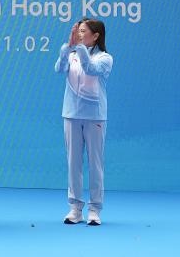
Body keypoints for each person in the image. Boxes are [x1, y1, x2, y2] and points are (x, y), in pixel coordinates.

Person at [54, 18, 113, 226]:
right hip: (71, 114)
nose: (79, 34)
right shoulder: (72, 54)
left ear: (95, 36)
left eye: (83, 31)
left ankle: (95, 209)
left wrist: (78, 48)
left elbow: (90, 69)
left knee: (95, 163)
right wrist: (67, 48)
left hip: (95, 116)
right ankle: (75, 208)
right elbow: (59, 68)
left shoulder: (105, 58)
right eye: (77, 31)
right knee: (73, 162)